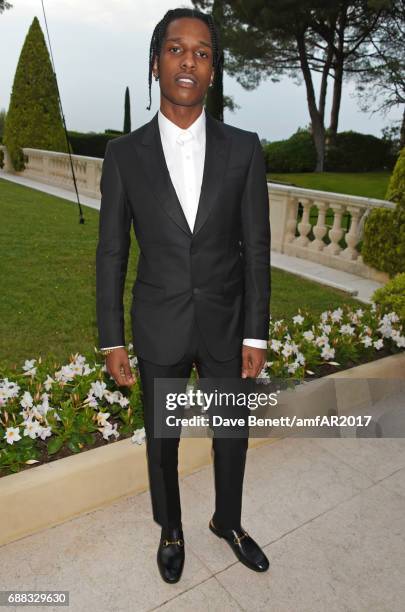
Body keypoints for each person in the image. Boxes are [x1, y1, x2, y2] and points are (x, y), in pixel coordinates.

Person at [96, 7, 271, 584]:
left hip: (226, 324)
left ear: (213, 71)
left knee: (232, 435)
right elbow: (112, 254)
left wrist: (255, 331)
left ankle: (229, 521)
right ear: (156, 64)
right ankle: (171, 529)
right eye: (176, 50)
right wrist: (111, 339)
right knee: (162, 442)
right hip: (160, 323)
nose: (188, 61)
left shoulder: (245, 149)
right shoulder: (123, 155)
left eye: (201, 52)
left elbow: (255, 249)